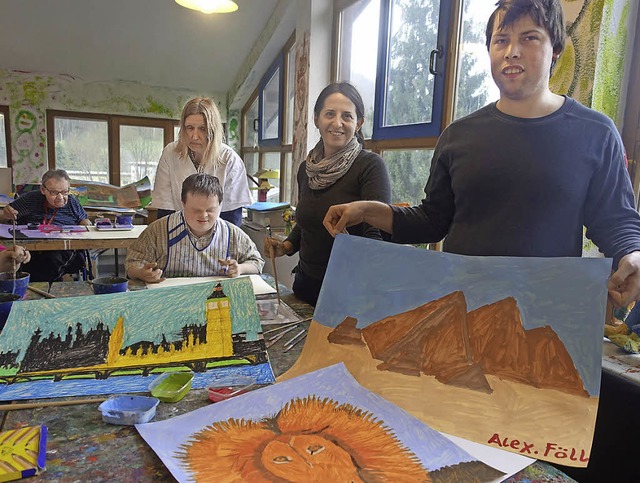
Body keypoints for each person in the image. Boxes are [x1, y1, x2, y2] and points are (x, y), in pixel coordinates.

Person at [323, 0, 640, 309]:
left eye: (529, 38)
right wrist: (367, 211)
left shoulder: (595, 133)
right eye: (501, 40)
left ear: (555, 49)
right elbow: (433, 221)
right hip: (463, 312)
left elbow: (616, 220)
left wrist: (632, 253)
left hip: (547, 315)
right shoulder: (458, 137)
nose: (511, 51)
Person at [265, 82, 391, 306]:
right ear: (316, 119)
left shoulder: (370, 166)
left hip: (348, 293)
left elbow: (377, 239)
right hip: (305, 287)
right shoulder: (306, 169)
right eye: (329, 114)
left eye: (347, 116)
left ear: (359, 123)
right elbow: (306, 222)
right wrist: (285, 247)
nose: (337, 123)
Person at [126, 173, 264, 283]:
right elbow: (132, 262)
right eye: (196, 210)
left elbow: (257, 262)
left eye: (210, 210)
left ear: (220, 205)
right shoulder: (158, 230)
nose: (203, 215)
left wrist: (239, 268)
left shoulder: (232, 234)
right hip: (170, 300)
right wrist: (142, 273)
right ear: (183, 204)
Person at [152, 97, 252, 226]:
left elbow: (232, 217)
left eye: (202, 129)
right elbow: (165, 209)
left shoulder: (229, 159)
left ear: (212, 129)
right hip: (178, 233)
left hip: (218, 236)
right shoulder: (171, 153)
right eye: (189, 128)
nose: (194, 136)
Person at [2, 169, 91, 282]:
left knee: (52, 260)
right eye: (54, 192)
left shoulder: (72, 203)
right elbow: (6, 216)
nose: (60, 197)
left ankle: (40, 289)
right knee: (25, 261)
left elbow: (85, 221)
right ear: (43, 190)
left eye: (64, 192)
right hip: (31, 248)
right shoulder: (29, 199)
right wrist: (6, 214)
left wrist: (86, 224)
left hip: (62, 248)